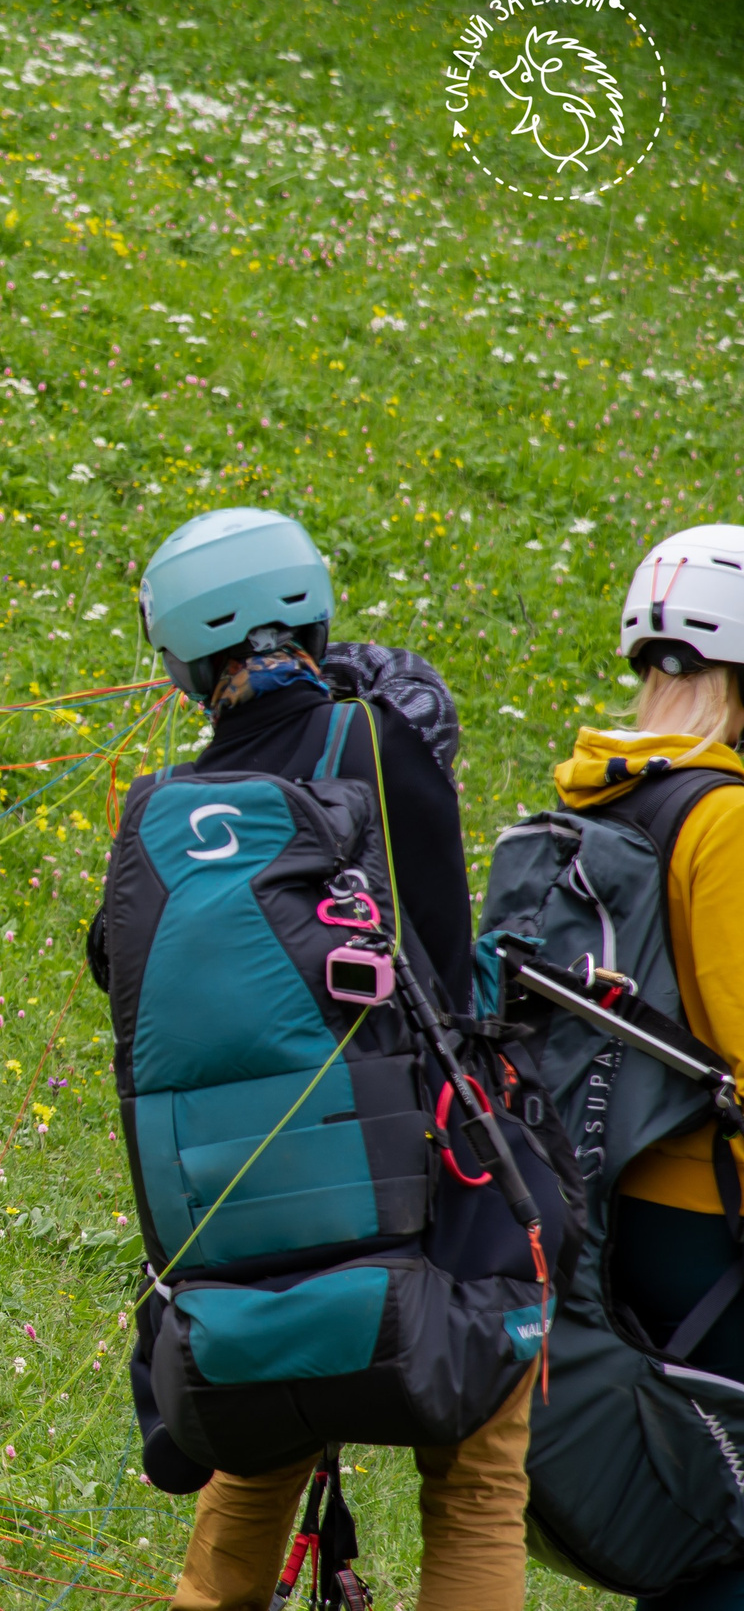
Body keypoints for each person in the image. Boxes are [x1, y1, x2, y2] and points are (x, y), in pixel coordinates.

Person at [98, 508, 532, 1611]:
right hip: (417, 1209)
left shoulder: (163, 810)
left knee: (259, 1457)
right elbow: (444, 966)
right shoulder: (375, 742)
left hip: (239, 1239)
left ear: (185, 657)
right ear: (313, 617)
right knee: (477, 1483)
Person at [557, 526, 744, 1611]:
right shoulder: (722, 818)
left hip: (611, 1202)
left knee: (697, 1505)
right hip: (715, 1217)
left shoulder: (592, 796)